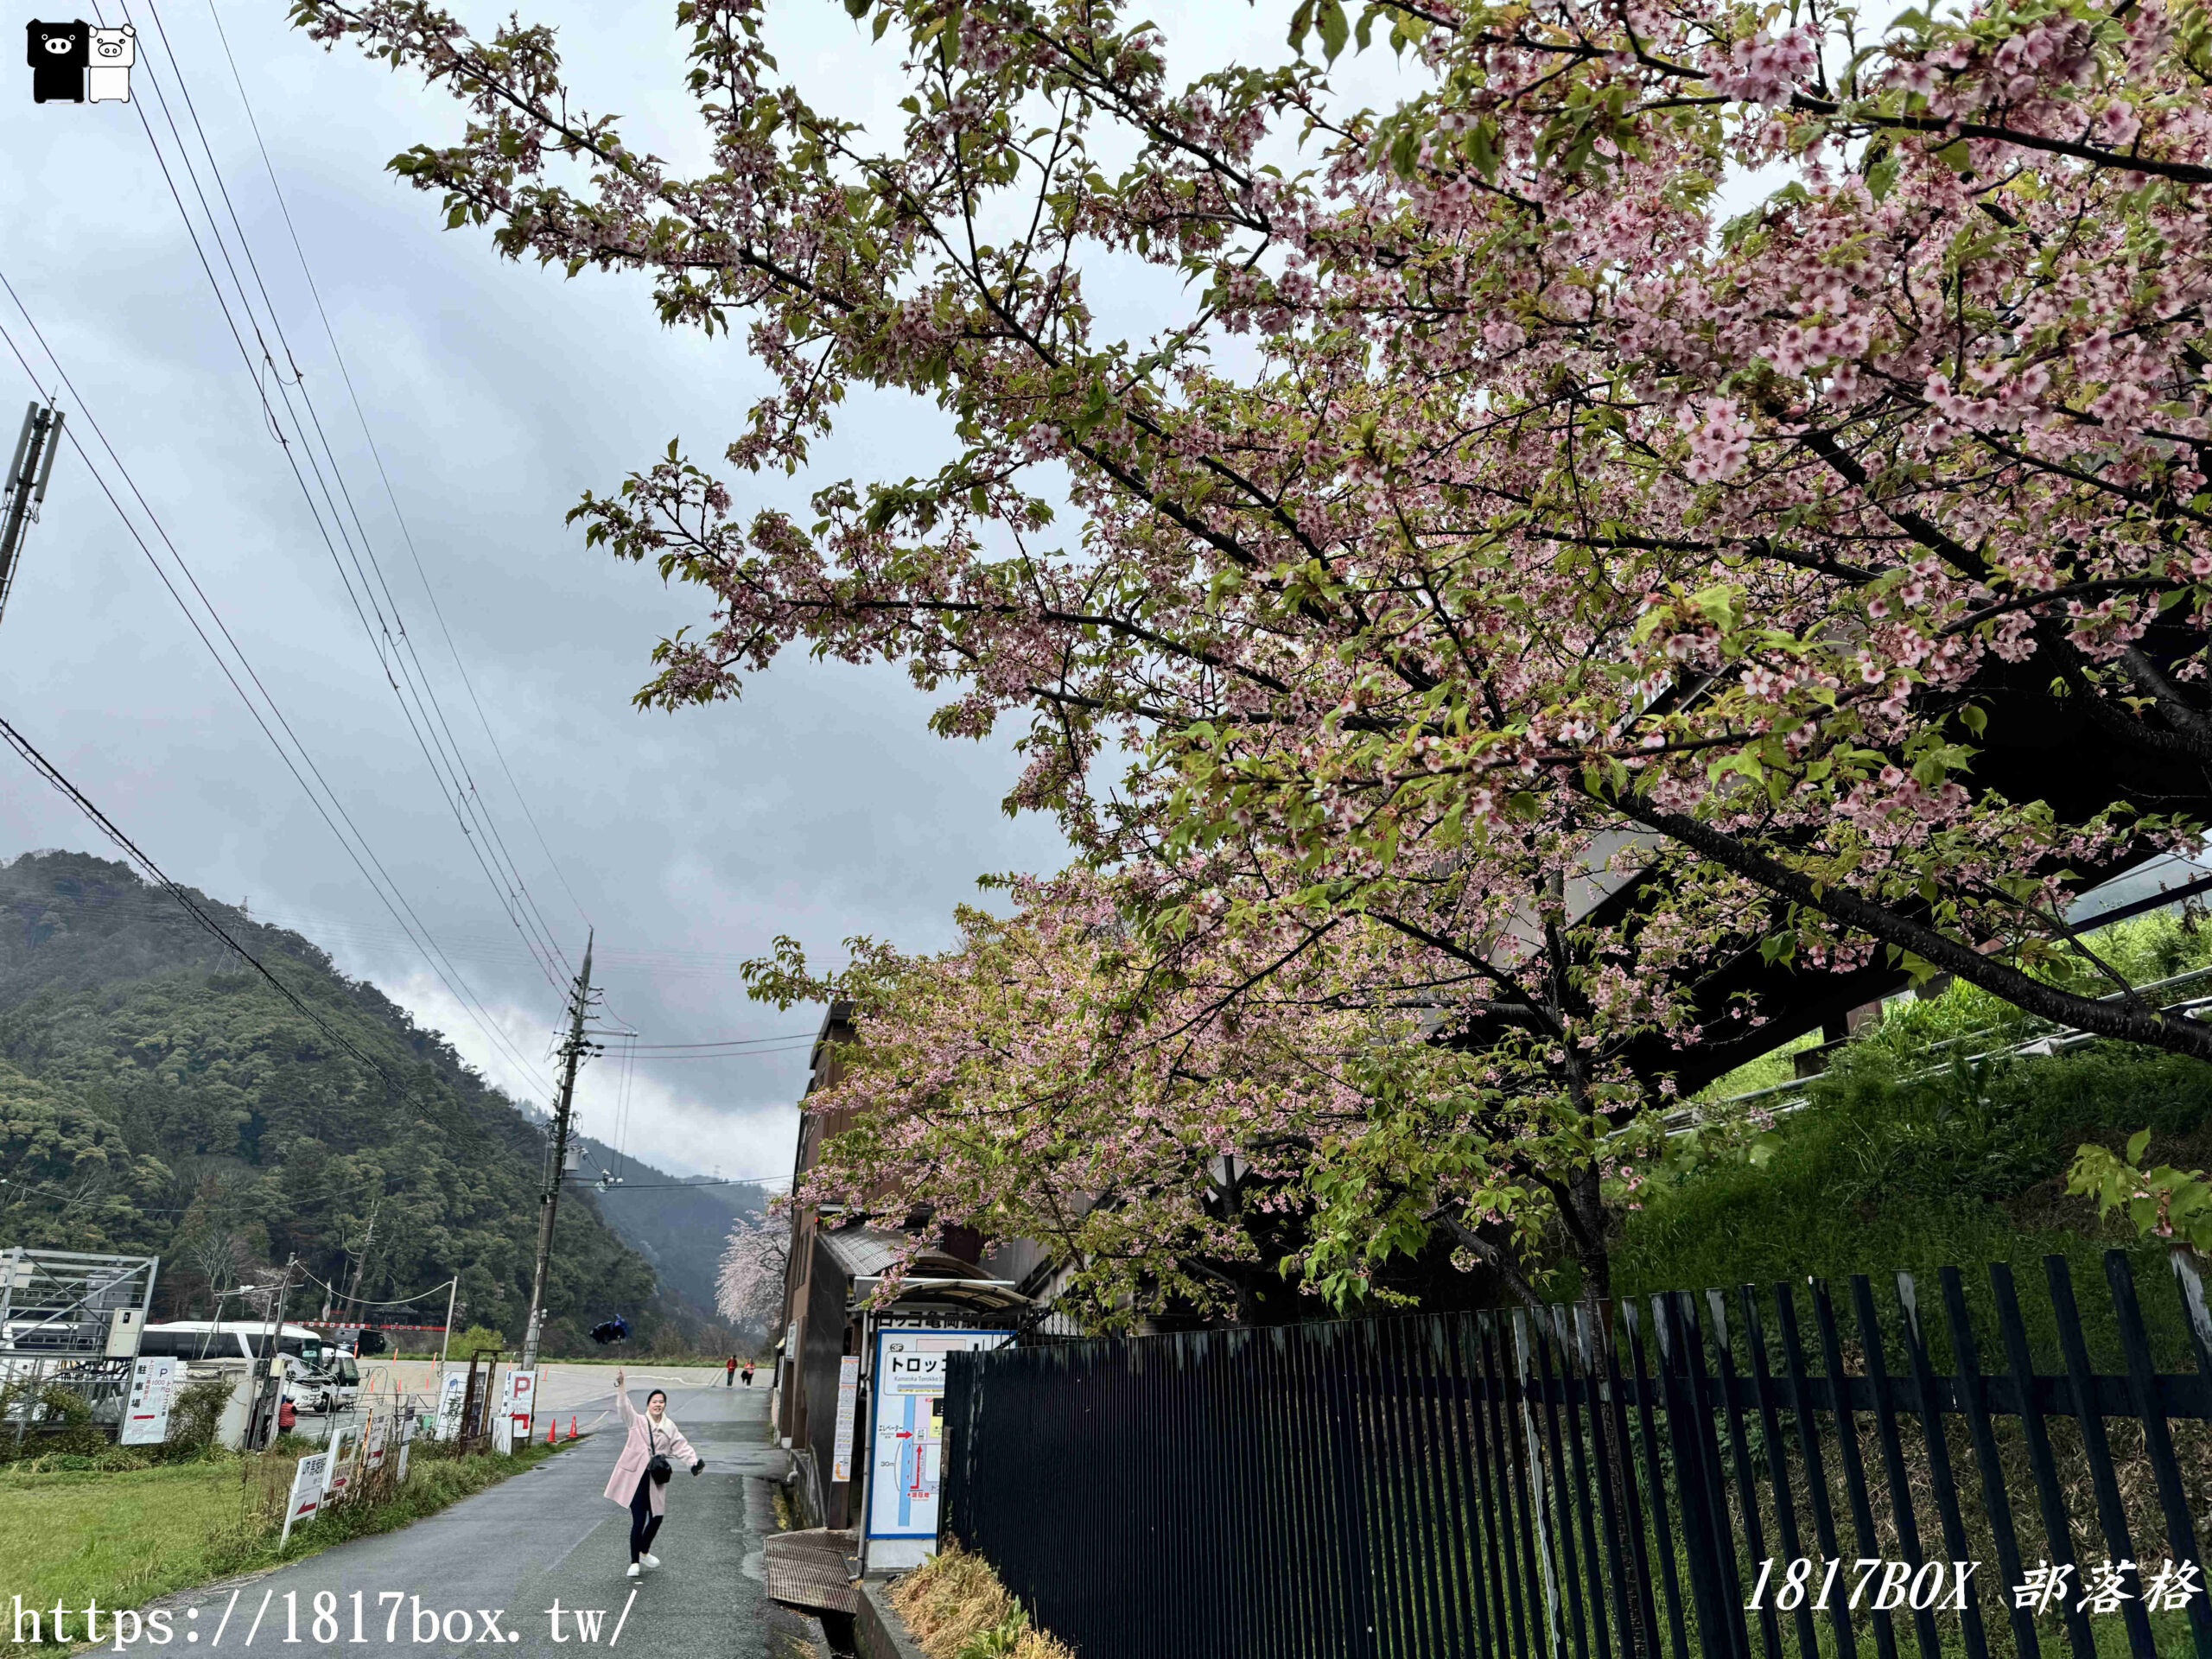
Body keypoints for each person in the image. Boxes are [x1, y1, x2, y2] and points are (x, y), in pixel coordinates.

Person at [605, 1369, 702, 1578]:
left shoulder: (669, 1427)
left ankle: (644, 1551)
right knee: (639, 1520)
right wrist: (621, 1386)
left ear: (664, 1405)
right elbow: (624, 1407)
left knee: (657, 1517)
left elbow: (681, 1446)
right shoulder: (637, 1421)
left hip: (655, 1479)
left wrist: (693, 1463)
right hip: (635, 1478)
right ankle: (634, 1562)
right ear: (648, 1405)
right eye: (654, 1401)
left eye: (661, 1402)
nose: (658, 1404)